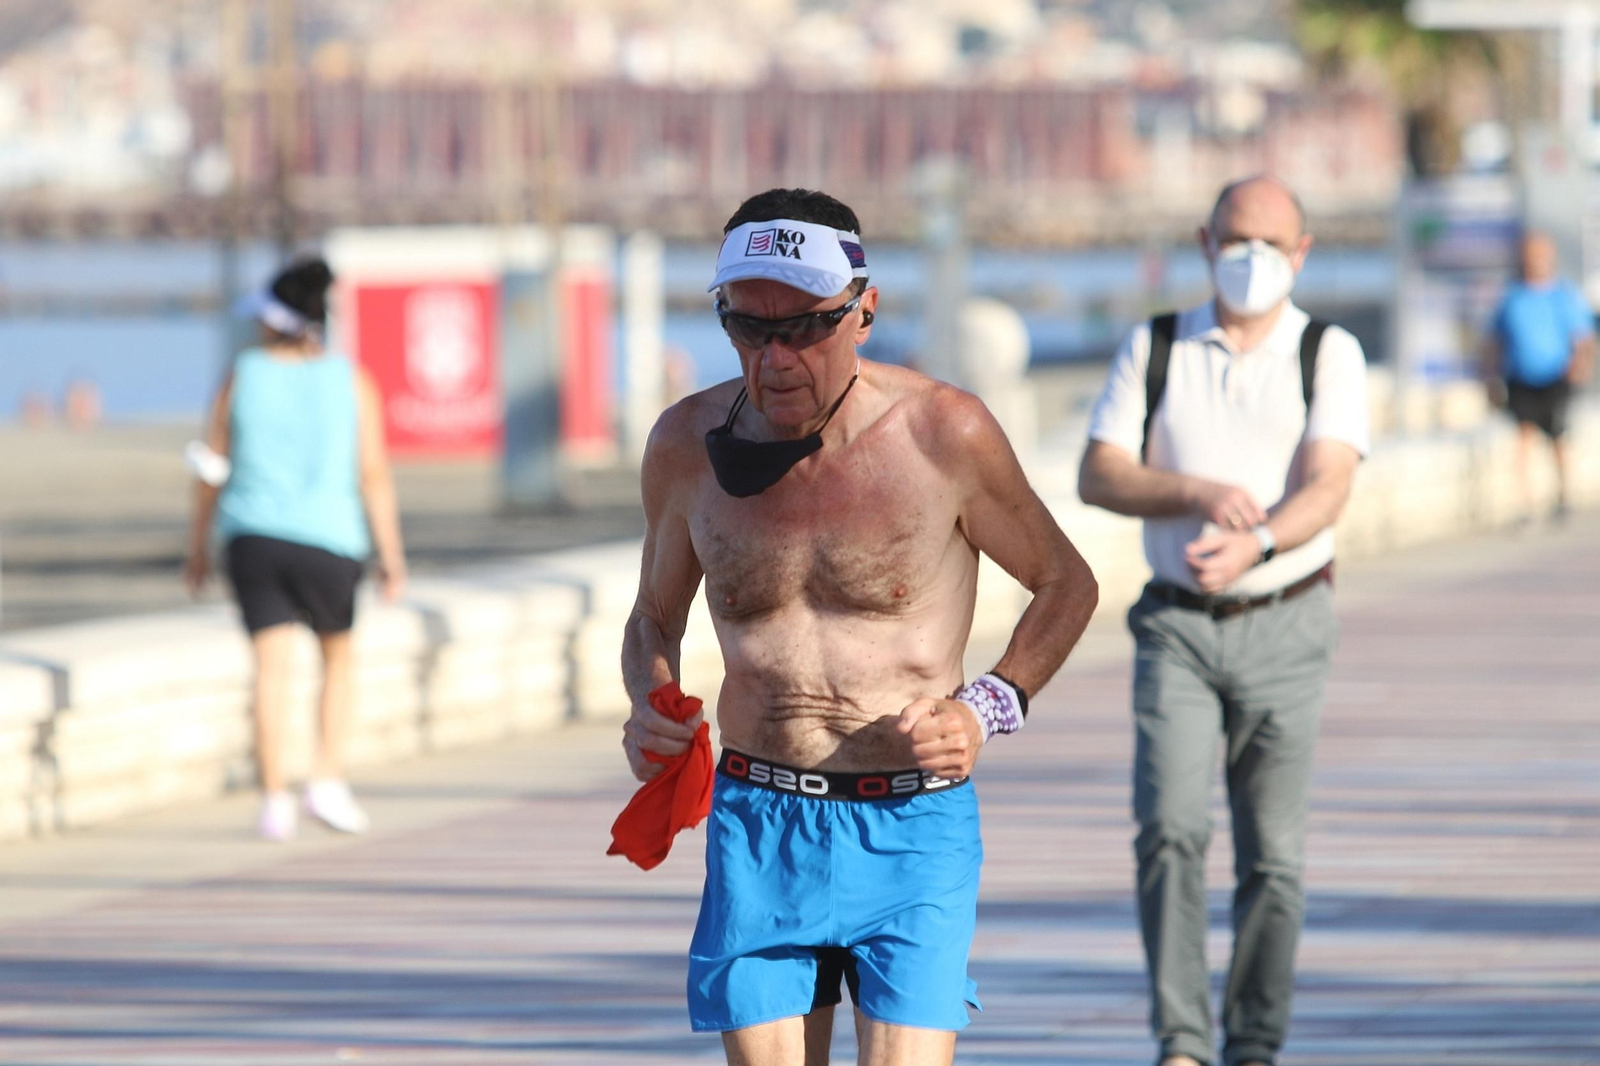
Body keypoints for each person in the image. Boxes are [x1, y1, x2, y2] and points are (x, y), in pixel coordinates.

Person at [621, 187, 1098, 1066]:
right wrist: (650, 698)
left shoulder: (941, 434)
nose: (774, 358)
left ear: (864, 311)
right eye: (747, 328)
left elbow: (1066, 582)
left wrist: (987, 706)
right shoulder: (685, 445)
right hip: (761, 816)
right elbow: (654, 617)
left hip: (910, 824)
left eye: (804, 327)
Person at [1078, 176, 1369, 1066]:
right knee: (1169, 828)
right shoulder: (1157, 345)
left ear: (1302, 253)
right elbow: (1100, 473)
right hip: (1176, 626)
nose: (1253, 259)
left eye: (1272, 245)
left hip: (1286, 620)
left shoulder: (1329, 352)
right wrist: (1195, 492)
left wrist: (1262, 543)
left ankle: (1252, 1042)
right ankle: (1182, 1040)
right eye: (1236, 240)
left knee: (1272, 856)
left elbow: (1329, 483)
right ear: (1205, 243)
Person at [184, 256, 407, 841]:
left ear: (271, 322)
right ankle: (327, 782)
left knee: (269, 670)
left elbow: (211, 466)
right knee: (337, 659)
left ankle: (274, 799)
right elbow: (373, 475)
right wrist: (392, 555)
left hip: (251, 537)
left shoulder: (242, 373)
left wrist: (196, 547)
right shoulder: (351, 380)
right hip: (330, 539)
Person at [1482, 231, 1595, 524]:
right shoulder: (1513, 296)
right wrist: (1490, 379)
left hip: (1555, 376)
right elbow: (1494, 341)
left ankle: (1564, 496)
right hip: (1521, 376)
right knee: (1524, 438)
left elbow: (1583, 338)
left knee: (1558, 437)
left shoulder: (1563, 294)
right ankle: (1525, 505)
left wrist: (1579, 367)